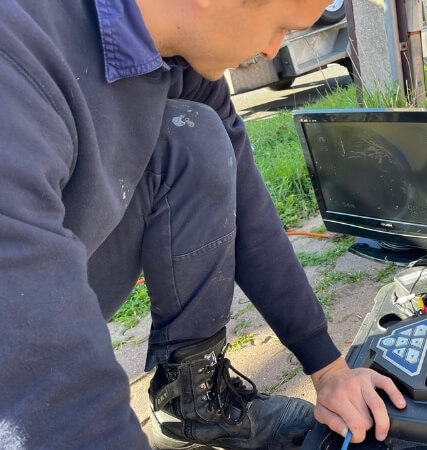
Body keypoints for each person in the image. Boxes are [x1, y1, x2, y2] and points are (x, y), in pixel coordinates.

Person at [0, 0, 406, 448]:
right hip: (17, 312)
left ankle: (188, 403)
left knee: (196, 137)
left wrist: (329, 369)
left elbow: (248, 207)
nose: (272, 50)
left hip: (59, 270)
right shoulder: (16, 54)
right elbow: (49, 380)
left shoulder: (180, 60)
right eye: (279, 26)